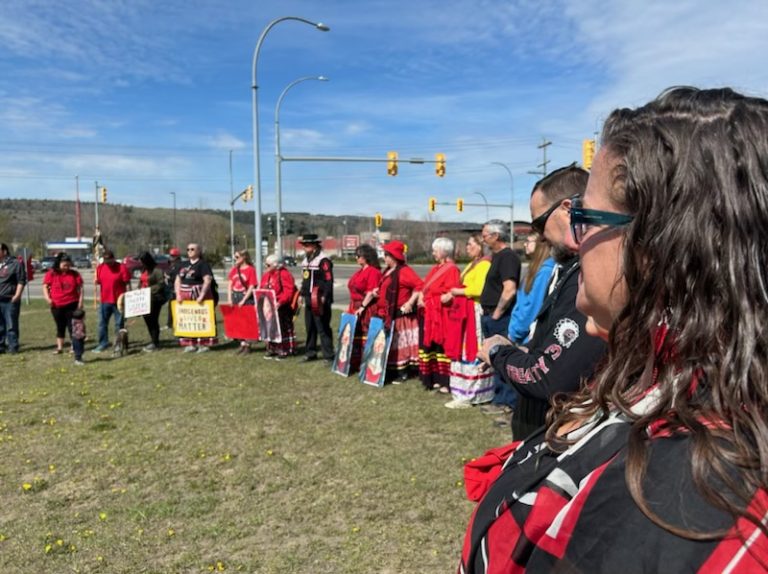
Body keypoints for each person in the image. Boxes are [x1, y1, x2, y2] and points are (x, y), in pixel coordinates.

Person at [461, 86, 768, 573]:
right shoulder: (663, 387)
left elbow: (545, 375)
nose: (574, 239)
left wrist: (500, 354)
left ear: (660, 245)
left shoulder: (703, 499)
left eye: (584, 216)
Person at [480, 165, 606, 439]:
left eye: (539, 224)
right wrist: (528, 352)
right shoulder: (577, 267)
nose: (540, 236)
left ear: (566, 209)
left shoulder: (594, 272)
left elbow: (546, 379)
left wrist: (496, 352)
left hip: (559, 433)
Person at [441, 232, 493, 409]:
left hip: (474, 312)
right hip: (464, 311)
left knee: (472, 348)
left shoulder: (485, 264)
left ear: (480, 246)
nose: (467, 247)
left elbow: (479, 288)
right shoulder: (472, 264)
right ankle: (461, 390)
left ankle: (474, 392)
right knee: (462, 349)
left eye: (471, 244)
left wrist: (456, 292)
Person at [477, 220, 522, 415]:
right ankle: (498, 400)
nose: (483, 238)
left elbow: (509, 289)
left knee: (503, 358)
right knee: (493, 359)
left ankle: (509, 403)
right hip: (489, 315)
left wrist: (496, 314)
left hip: (500, 318)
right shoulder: (495, 257)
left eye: (485, 234)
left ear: (496, 236)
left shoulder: (508, 257)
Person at [362, 240, 423, 382]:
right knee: (392, 344)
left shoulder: (404, 271)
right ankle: (390, 369)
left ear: (394, 256)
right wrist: (378, 291)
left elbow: (420, 285)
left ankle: (403, 371)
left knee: (400, 344)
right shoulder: (388, 271)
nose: (384, 258)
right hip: (386, 314)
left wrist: (410, 302)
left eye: (386, 255)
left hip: (400, 315)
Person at [416, 237, 460, 393]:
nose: (433, 253)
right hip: (429, 314)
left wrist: (430, 301)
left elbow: (450, 294)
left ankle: (444, 382)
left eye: (435, 250)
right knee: (430, 347)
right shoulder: (435, 268)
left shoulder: (452, 269)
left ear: (443, 251)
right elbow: (425, 286)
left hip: (441, 316)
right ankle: (432, 378)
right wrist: (422, 296)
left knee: (441, 347)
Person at [507, 233, 555, 344]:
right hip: (522, 334)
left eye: (528, 241)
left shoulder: (545, 271)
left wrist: (514, 334)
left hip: (528, 338)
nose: (525, 244)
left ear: (541, 244)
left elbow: (532, 307)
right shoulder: (535, 268)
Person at [174, 243, 217, 353]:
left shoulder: (203, 264)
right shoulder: (182, 264)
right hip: (184, 294)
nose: (189, 251)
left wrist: (202, 295)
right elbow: (178, 280)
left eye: (192, 249)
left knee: (202, 319)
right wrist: (178, 294)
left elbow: (207, 280)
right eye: (188, 249)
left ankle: (204, 344)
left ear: (198, 251)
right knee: (188, 319)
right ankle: (190, 343)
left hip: (198, 293)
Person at [298, 234, 334, 363]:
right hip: (308, 298)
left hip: (319, 299)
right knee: (310, 327)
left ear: (314, 245)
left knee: (322, 327)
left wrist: (324, 297)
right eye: (303, 245)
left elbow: (329, 280)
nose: (304, 247)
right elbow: (305, 279)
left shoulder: (323, 260)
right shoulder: (306, 260)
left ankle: (328, 355)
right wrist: (302, 294)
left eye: (307, 245)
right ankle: (310, 352)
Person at [348, 244, 382, 371]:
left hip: (367, 308)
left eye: (358, 255)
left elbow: (371, 292)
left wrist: (362, 306)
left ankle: (367, 362)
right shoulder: (359, 272)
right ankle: (355, 361)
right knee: (355, 334)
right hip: (354, 306)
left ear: (365, 257)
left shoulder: (373, 272)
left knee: (366, 334)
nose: (356, 258)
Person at [43, 253, 84, 354]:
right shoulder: (51, 273)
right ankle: (59, 348)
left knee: (72, 326)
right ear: (58, 264)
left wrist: (80, 302)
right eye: (64, 265)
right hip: (56, 305)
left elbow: (80, 288)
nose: (66, 267)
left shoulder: (74, 274)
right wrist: (47, 298)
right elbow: (45, 286)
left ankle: (73, 346)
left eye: (68, 265)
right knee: (60, 326)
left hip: (72, 303)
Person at [260, 254, 297, 360]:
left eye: (268, 265)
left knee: (282, 328)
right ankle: (272, 348)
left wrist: (280, 302)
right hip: (269, 305)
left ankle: (284, 349)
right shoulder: (267, 275)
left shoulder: (284, 274)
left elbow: (288, 291)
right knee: (270, 327)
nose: (266, 267)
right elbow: (262, 286)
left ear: (276, 265)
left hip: (281, 306)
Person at [93, 249, 131, 353]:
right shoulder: (100, 268)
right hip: (105, 300)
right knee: (102, 323)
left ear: (113, 259)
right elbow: (99, 281)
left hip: (119, 301)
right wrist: (96, 281)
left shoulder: (121, 268)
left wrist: (129, 296)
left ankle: (118, 343)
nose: (108, 263)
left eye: (109, 260)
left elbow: (127, 283)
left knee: (119, 324)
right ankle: (103, 343)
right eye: (106, 261)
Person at [227, 250, 257, 355]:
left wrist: (244, 300)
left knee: (247, 322)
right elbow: (230, 284)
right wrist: (229, 298)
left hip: (246, 297)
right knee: (238, 322)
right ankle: (242, 344)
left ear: (244, 257)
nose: (235, 259)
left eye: (237, 257)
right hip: (235, 296)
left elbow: (252, 286)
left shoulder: (250, 270)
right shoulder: (234, 270)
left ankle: (248, 345)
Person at [0, 242, 27, 354]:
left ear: (4, 251)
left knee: (11, 324)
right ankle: (1, 346)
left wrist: (17, 295)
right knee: (0, 325)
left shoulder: (15, 263)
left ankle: (13, 346)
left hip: (10, 299)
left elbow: (21, 280)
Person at [138, 252, 166, 352]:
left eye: (143, 262)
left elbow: (161, 284)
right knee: (147, 320)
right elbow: (141, 281)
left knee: (153, 320)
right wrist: (139, 291)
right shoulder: (144, 270)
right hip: (144, 299)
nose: (141, 264)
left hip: (155, 299)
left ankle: (155, 342)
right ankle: (153, 340)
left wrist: (148, 290)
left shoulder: (157, 271)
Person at [165, 247, 183, 330]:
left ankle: (176, 323)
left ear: (177, 256)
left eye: (172, 256)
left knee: (176, 307)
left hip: (176, 289)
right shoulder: (171, 264)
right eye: (170, 255)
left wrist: (168, 277)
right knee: (170, 307)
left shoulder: (179, 265)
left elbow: (177, 276)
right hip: (170, 288)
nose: (170, 257)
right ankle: (169, 324)